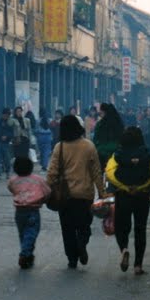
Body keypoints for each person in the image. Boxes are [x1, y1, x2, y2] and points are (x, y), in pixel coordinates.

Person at [46, 114, 106, 269]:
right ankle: (82, 243)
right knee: (84, 225)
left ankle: (72, 258)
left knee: (68, 228)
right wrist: (102, 192)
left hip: (64, 197)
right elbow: (96, 172)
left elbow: (52, 172)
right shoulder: (88, 146)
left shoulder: (59, 147)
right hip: (84, 195)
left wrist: (46, 190)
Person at [105, 127, 150, 275]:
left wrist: (125, 187)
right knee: (140, 229)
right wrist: (141, 186)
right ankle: (138, 266)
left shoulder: (118, 153)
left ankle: (124, 249)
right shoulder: (147, 153)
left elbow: (110, 172)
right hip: (142, 195)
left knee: (121, 227)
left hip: (123, 195)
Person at [8, 156, 50, 269]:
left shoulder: (13, 180)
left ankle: (28, 255)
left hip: (19, 211)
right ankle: (25, 254)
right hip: (33, 210)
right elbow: (47, 191)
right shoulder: (38, 179)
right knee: (31, 233)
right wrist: (44, 200)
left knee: (23, 234)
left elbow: (11, 189)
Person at [93, 102, 125, 167]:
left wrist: (98, 148)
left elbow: (95, 139)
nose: (100, 115)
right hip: (116, 153)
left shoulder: (100, 124)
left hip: (102, 153)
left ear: (104, 112)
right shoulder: (119, 123)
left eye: (101, 113)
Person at [0, 108, 14, 178]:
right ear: (3, 114)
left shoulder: (10, 123)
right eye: (6, 115)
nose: (7, 116)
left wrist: (7, 136)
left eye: (8, 115)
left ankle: (8, 172)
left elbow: (12, 133)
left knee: (7, 159)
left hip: (6, 143)